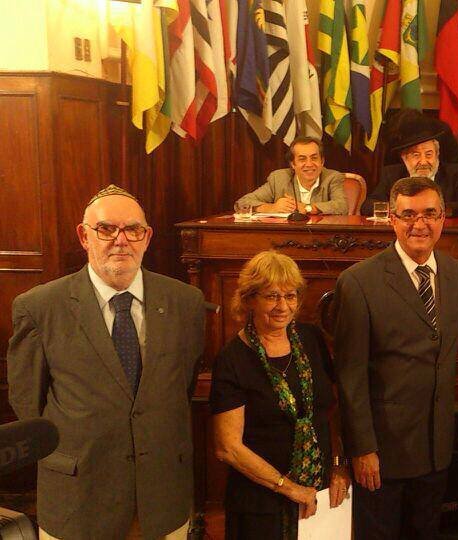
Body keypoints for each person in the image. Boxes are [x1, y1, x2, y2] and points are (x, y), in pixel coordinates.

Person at [6, 184, 205, 539]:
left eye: (133, 230)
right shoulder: (39, 307)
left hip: (161, 499)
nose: (121, 240)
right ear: (85, 236)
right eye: (107, 229)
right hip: (79, 500)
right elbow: (29, 404)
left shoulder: (185, 303)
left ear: (146, 237)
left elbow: (180, 387)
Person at [334, 177, 458, 539]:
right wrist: (362, 449)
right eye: (408, 215)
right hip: (383, 456)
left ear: (443, 217)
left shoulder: (456, 275)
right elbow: (351, 376)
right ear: (392, 219)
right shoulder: (359, 282)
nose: (419, 224)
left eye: (429, 213)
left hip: (437, 450)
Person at [210, 250, 350, 539]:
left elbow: (331, 411)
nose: (282, 306)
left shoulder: (311, 340)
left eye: (290, 295)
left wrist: (339, 466)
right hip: (261, 506)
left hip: (319, 496)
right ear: (249, 299)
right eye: (271, 296)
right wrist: (290, 488)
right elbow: (228, 447)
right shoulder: (232, 358)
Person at [361, 112, 458, 217]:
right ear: (404, 158)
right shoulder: (391, 174)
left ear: (437, 154)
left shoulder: (455, 173)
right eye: (416, 155)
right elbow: (368, 206)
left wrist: (436, 210)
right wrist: (402, 210)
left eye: (429, 154)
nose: (423, 162)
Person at [236, 136, 348, 216]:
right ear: (293, 164)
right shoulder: (279, 179)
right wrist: (272, 208)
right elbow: (242, 203)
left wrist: (307, 208)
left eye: (314, 158)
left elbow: (342, 206)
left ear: (322, 161)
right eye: (302, 159)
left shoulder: (332, 177)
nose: (309, 164)